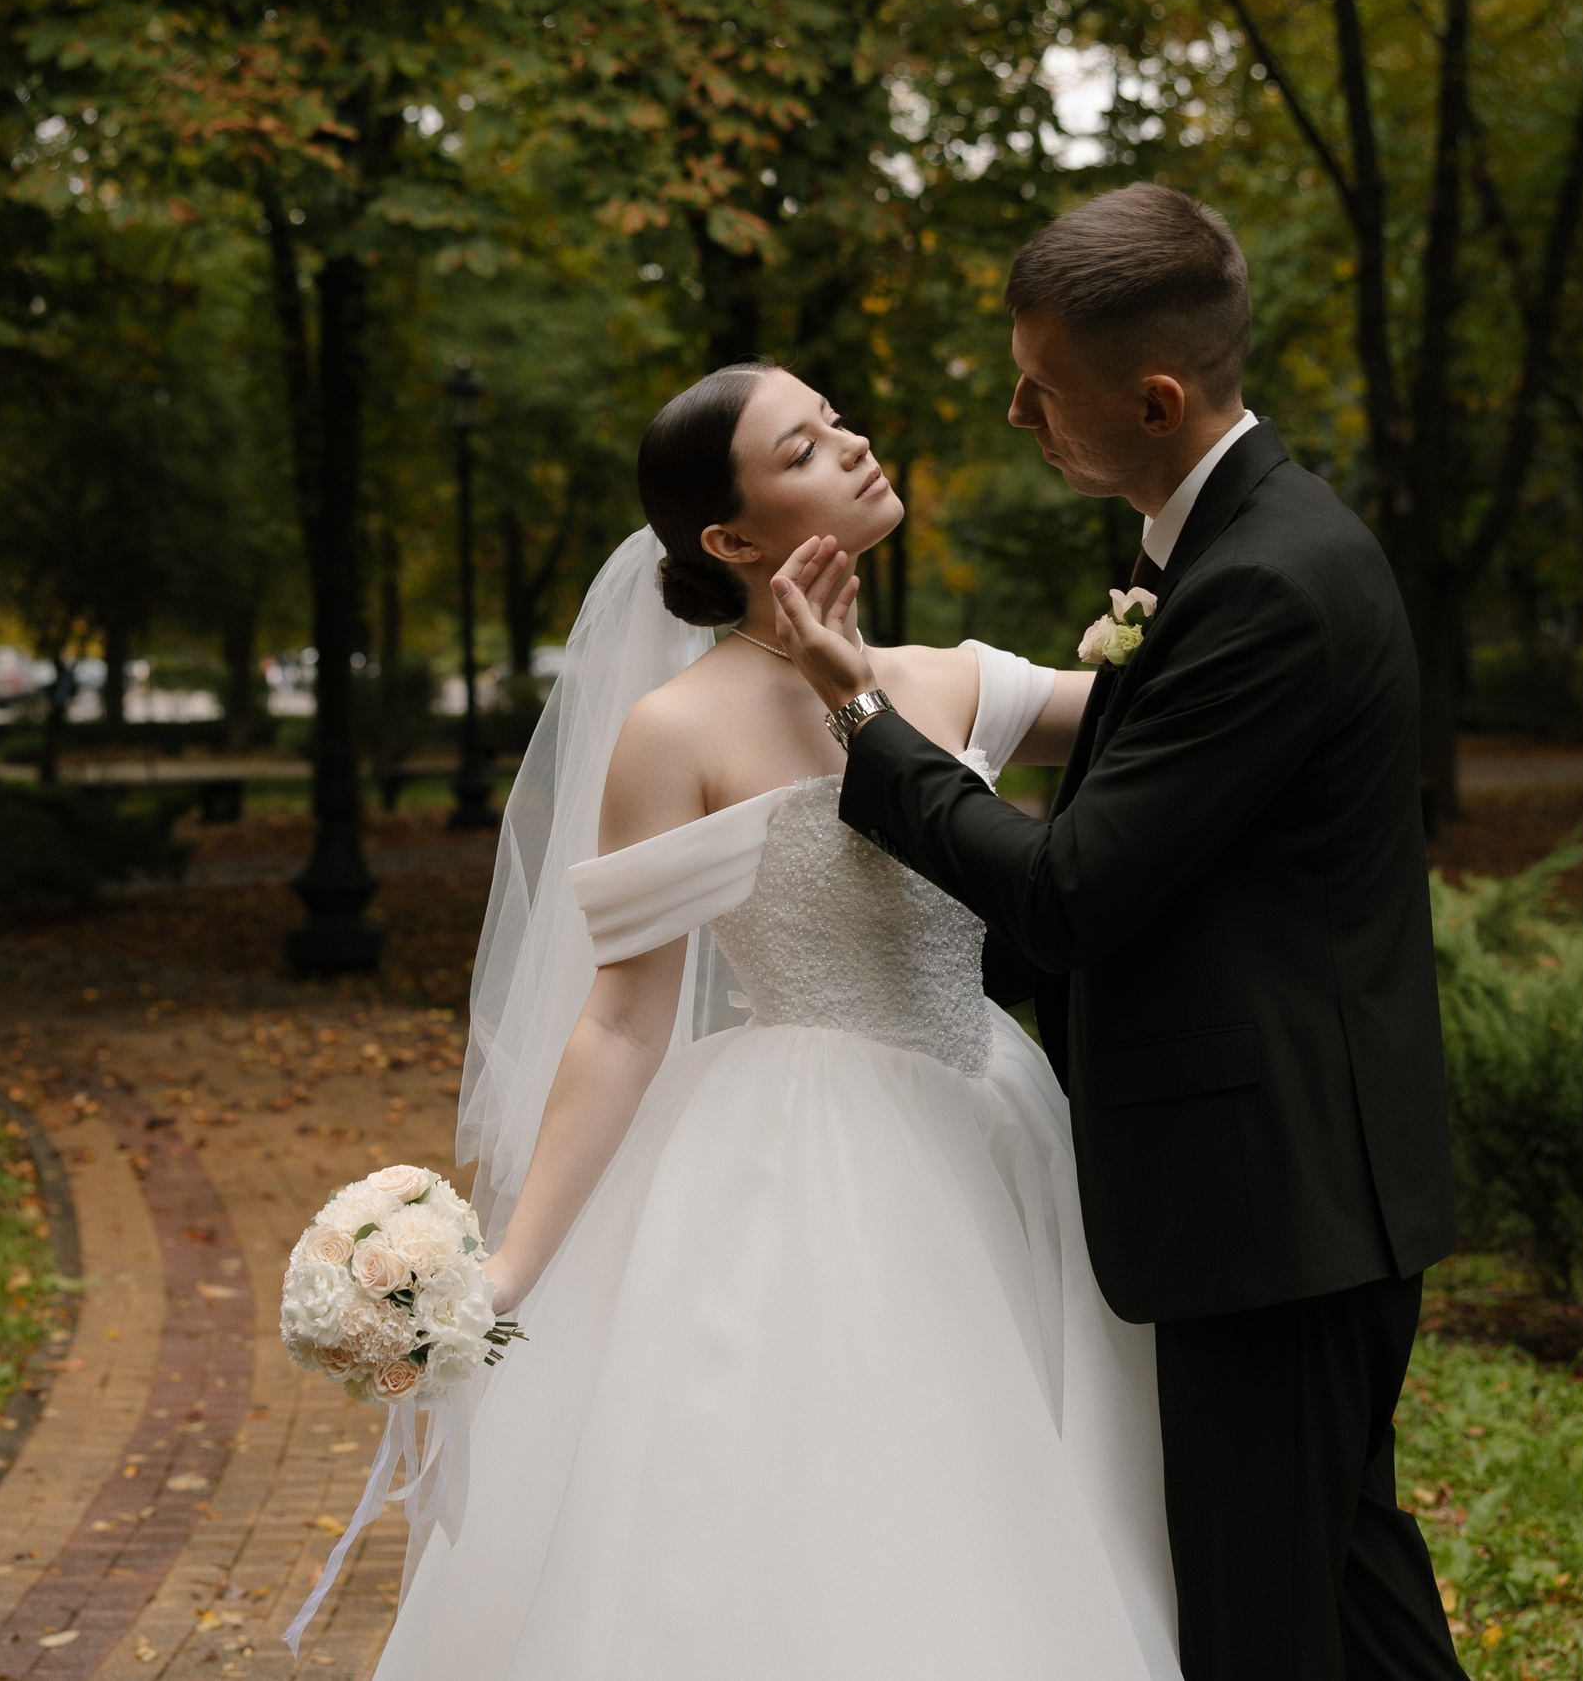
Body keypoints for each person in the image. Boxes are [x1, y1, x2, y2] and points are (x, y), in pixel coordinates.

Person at [363, 363, 1176, 1678]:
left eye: (841, 419)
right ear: (733, 541)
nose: (854, 445)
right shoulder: (674, 733)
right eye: (805, 446)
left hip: (1001, 1127)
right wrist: (507, 1271)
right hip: (806, 1159)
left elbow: (1189, 710)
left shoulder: (958, 681)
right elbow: (622, 1021)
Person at [770, 183, 1467, 1681]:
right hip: (1287, 1176)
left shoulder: (1270, 580)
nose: (1017, 409)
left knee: (1260, 1624)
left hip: (1275, 1197)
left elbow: (1078, 891)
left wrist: (863, 720)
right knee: (1344, 1584)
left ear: (1155, 398)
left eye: (1042, 386)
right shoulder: (1217, 542)